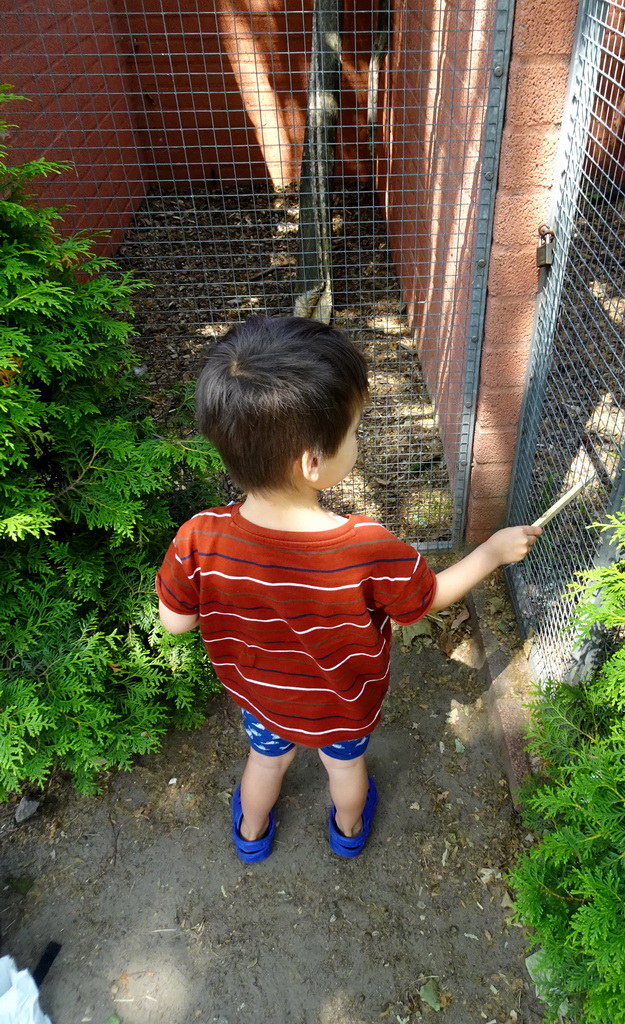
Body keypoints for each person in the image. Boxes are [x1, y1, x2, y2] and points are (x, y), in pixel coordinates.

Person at [156, 315, 541, 863]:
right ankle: (349, 829)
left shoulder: (200, 535)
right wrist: (491, 552)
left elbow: (176, 621)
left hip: (262, 701)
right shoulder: (364, 546)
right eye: (355, 431)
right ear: (313, 462)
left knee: (265, 761)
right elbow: (424, 601)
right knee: (345, 768)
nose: (357, 439)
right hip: (342, 708)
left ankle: (251, 835)